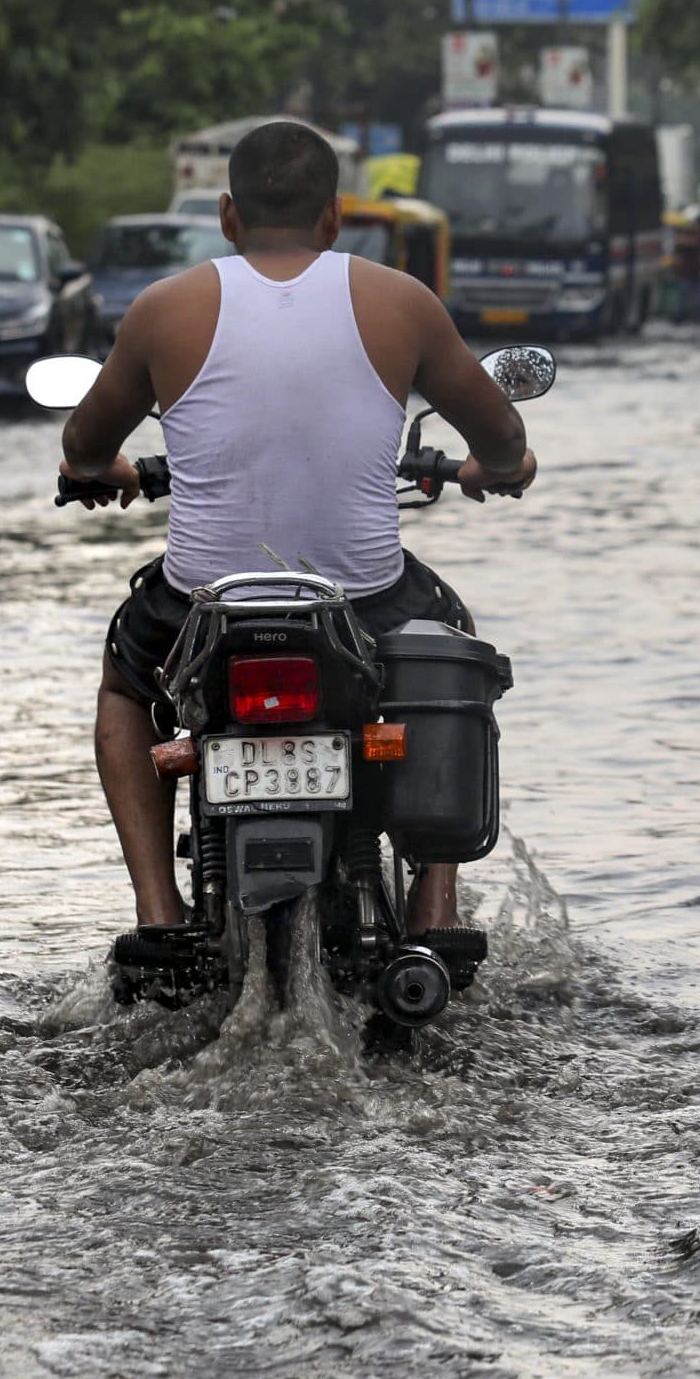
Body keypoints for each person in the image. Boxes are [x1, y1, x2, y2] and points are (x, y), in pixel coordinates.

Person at [54, 122, 538, 938]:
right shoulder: (402, 304)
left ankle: (158, 911)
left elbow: (83, 445)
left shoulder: (163, 309)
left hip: (200, 610)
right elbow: (503, 440)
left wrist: (109, 473)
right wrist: (498, 469)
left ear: (228, 216)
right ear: (333, 218)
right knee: (449, 643)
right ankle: (434, 902)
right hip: (366, 604)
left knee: (125, 686)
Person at [671, 212, 700, 321]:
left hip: (699, 272)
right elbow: (680, 245)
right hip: (687, 272)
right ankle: (680, 317)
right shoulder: (690, 235)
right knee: (684, 296)